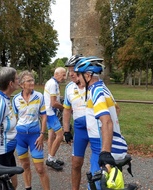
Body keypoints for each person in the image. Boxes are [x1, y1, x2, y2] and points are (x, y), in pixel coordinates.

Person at [74, 56, 128, 189]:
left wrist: (105, 152)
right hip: (111, 145)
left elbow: (107, 121)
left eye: (78, 76)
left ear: (87, 76)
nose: (76, 80)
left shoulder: (96, 91)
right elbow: (116, 109)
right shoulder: (103, 88)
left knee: (96, 186)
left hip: (104, 147)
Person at [12, 71, 50, 190]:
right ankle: (28, 187)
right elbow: (14, 118)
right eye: (29, 81)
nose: (32, 82)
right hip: (20, 137)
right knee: (25, 165)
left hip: (35, 136)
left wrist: (42, 134)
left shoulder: (39, 96)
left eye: (32, 80)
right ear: (22, 84)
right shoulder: (16, 99)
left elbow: (44, 116)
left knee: (40, 168)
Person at [63, 54, 92, 190]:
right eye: (69, 71)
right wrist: (66, 130)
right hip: (80, 130)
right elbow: (67, 110)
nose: (71, 74)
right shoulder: (69, 87)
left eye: (73, 70)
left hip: (96, 129)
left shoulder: (93, 85)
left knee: (99, 163)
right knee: (76, 164)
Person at [43, 67, 67, 171]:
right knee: (60, 135)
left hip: (49, 112)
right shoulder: (53, 84)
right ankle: (50, 159)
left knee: (51, 135)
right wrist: (65, 108)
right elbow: (53, 103)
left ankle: (51, 157)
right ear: (56, 74)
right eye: (63, 75)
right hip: (51, 113)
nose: (65, 77)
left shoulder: (53, 82)